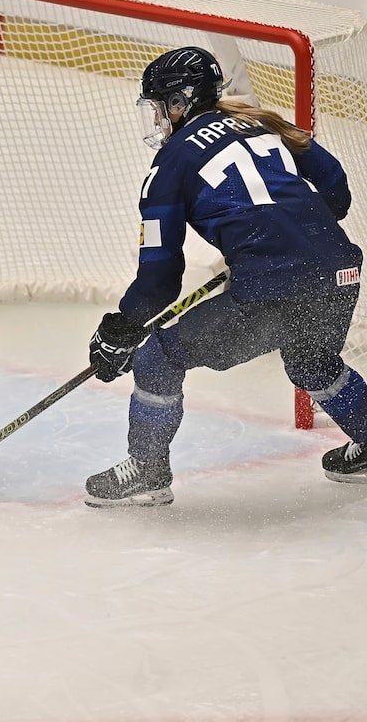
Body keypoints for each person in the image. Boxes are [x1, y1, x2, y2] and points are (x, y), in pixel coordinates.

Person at [84, 46, 367, 507]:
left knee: (157, 358)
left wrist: (123, 328)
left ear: (179, 103)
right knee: (312, 362)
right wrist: (282, 244)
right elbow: (335, 188)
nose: (157, 121)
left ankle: (148, 472)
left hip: (274, 291)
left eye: (159, 108)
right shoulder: (263, 120)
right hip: (340, 272)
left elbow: (160, 281)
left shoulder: (168, 165)